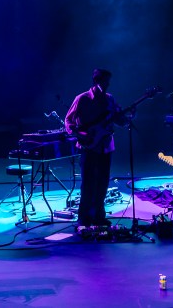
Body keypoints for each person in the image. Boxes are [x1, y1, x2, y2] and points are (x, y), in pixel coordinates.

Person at [64, 68, 130, 230]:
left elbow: (119, 121)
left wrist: (129, 116)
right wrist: (82, 135)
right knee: (88, 184)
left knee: (102, 183)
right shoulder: (82, 99)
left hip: (106, 147)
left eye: (108, 82)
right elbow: (68, 121)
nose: (107, 85)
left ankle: (99, 216)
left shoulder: (109, 99)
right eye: (104, 82)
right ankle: (84, 218)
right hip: (88, 146)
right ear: (96, 82)